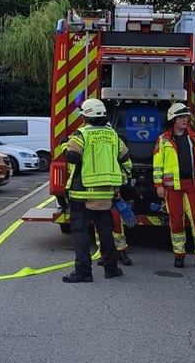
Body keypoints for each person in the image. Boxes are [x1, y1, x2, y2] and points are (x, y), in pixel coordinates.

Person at [61, 98, 131, 283]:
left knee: (81, 233)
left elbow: (73, 156)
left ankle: (83, 272)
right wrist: (119, 181)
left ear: (86, 116)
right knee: (106, 232)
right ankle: (111, 268)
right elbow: (125, 159)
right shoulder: (113, 135)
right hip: (105, 195)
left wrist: (63, 145)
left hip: (82, 194)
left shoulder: (81, 134)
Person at [153, 102, 195, 269]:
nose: (185, 119)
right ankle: (179, 255)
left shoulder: (194, 138)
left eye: (186, 116)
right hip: (173, 188)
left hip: (192, 184)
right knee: (176, 221)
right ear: (173, 119)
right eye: (181, 117)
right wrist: (159, 185)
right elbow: (158, 164)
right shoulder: (163, 140)